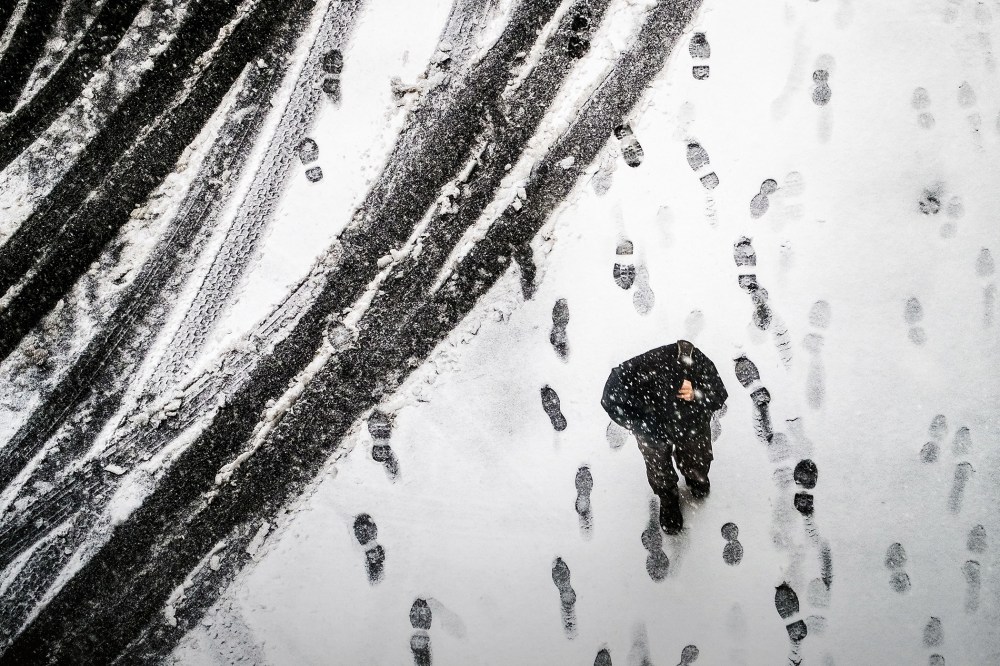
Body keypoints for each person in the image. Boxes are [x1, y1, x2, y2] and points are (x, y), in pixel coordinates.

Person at [601, 340, 728, 534]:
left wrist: (696, 394)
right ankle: (668, 498)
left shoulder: (691, 357)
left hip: (690, 423)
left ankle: (696, 478)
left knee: (697, 458)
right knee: (658, 468)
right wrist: (639, 423)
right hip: (653, 430)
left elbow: (718, 394)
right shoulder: (631, 375)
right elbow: (610, 399)